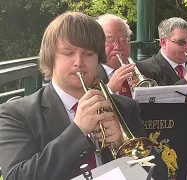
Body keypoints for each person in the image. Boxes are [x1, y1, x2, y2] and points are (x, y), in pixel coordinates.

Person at [0, 12, 147, 180]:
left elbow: (158, 171)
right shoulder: (15, 113)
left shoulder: (126, 107)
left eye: (89, 54)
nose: (79, 62)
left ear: (99, 59)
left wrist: (122, 145)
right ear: (51, 57)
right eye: (69, 53)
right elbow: (17, 176)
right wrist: (78, 131)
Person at [96, 14, 138, 98]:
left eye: (123, 40)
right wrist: (110, 89)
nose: (118, 47)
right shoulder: (89, 75)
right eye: (110, 40)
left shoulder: (145, 70)